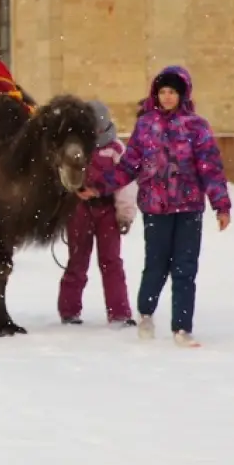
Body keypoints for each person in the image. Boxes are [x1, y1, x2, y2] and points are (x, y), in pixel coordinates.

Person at [97, 66, 231, 348]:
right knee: (156, 265)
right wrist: (99, 186)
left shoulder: (197, 127)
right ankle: (146, 312)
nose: (167, 97)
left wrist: (221, 205)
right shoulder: (146, 125)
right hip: (155, 208)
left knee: (185, 268)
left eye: (172, 92)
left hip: (189, 208)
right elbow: (129, 165)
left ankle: (182, 327)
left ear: (182, 95)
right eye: (163, 92)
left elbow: (211, 168)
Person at [56, 101, 137, 327]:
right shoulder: (73, 148)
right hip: (79, 211)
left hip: (107, 210)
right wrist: (71, 193)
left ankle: (119, 312)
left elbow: (126, 183)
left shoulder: (115, 148)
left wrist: (125, 214)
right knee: (77, 260)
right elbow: (62, 178)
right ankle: (69, 310)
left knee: (111, 261)